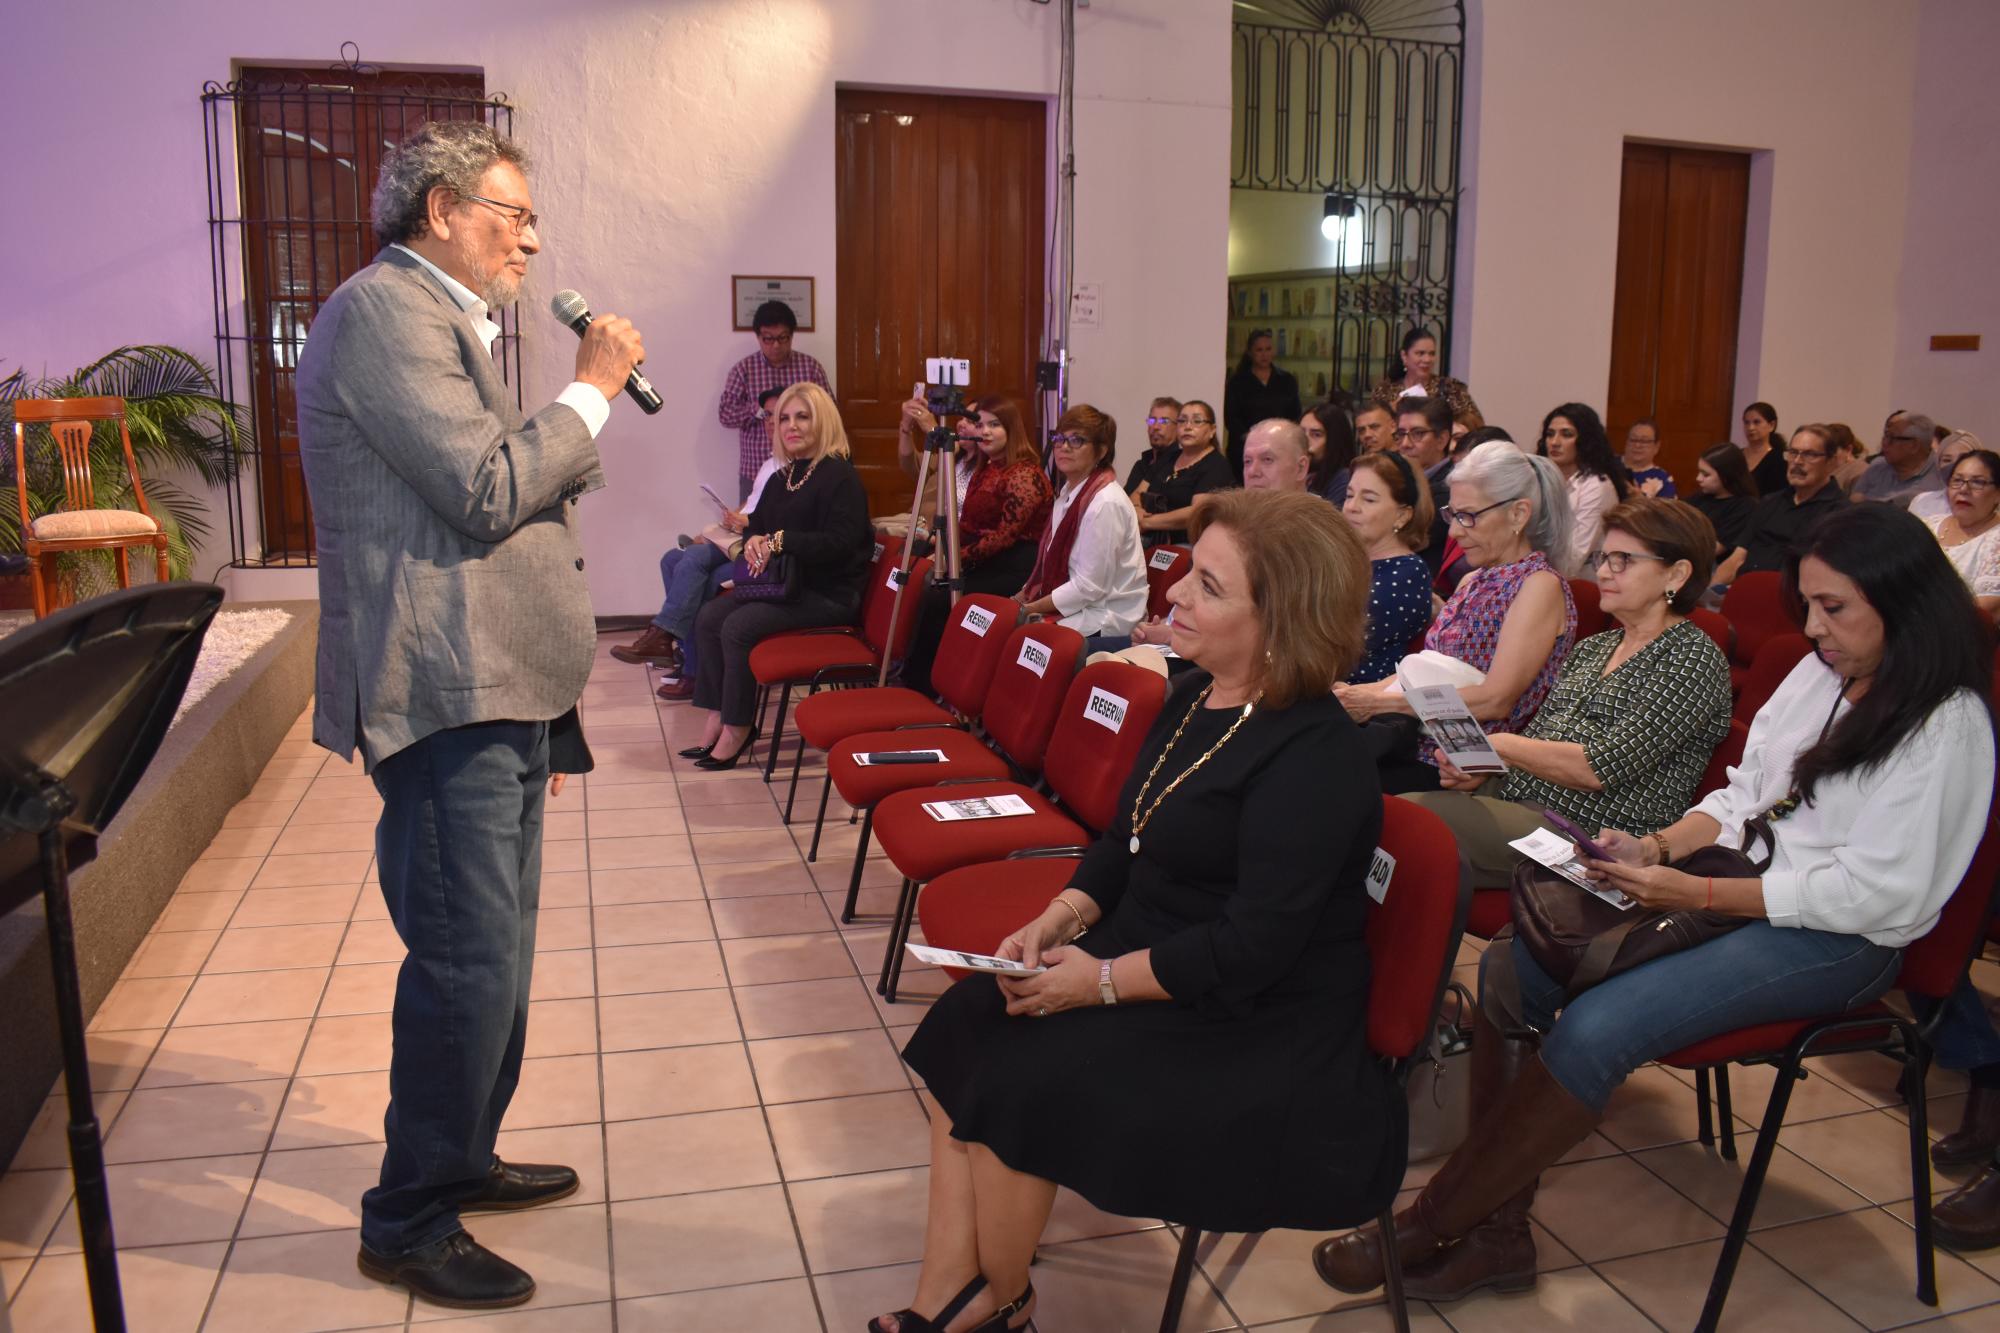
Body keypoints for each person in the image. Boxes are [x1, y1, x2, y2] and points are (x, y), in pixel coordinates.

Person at [1315, 502, 1995, 1304]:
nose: (1814, 628)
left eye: (1835, 607)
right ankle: (1497, 1236)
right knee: (1508, 970)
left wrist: (1696, 888)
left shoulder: (1946, 723)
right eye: (1806, 606)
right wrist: (1661, 847)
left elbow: (1878, 892)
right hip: (1730, 881)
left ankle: (1430, 1224)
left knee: (1601, 1022)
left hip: (1836, 935)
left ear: (1905, 599)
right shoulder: (1823, 672)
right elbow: (1745, 798)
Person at [884, 489, 1402, 1333]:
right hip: (1152, 952)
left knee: (1024, 1084)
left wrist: (1099, 985)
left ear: (1283, 621)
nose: (1176, 599)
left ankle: (995, 1300)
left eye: (1209, 586)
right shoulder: (1196, 696)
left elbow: (1254, 947)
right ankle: (957, 1289)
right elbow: (1123, 836)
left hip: (1255, 1016)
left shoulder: (1319, 757)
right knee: (966, 1023)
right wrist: (1059, 919)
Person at [296, 121, 646, 1308]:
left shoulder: (446, 318)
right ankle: (406, 1217)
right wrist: (591, 394)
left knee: (498, 961)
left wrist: (541, 708)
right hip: (446, 687)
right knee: (463, 965)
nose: (532, 240)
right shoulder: (383, 312)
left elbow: (496, 477)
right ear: (442, 208)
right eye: (514, 214)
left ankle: (462, 1155)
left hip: (498, 686)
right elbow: (489, 486)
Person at [1403, 499, 1732, 888]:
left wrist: (1500, 747)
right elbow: (1541, 741)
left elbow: (1596, 768)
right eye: (1602, 557)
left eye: (1623, 560)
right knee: (1385, 815)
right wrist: (1482, 769)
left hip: (1586, 836)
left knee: (1401, 824)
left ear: (1675, 574)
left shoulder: (1691, 658)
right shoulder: (1596, 647)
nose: (1604, 571)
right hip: (1518, 801)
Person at [1335, 441, 1577, 794]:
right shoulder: (1473, 580)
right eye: (1453, 514)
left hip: (1468, 767)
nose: (1454, 532)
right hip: (1419, 745)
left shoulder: (1539, 586)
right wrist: (1352, 693)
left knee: (1329, 785)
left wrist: (1376, 702)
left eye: (1469, 516)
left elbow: (1496, 700)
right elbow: (1421, 673)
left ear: (1518, 514)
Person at [684, 382, 871, 769]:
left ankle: (738, 726)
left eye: (803, 416)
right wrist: (754, 541)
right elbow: (759, 526)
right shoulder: (782, 477)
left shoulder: (841, 477)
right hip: (784, 587)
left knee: (737, 626)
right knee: (709, 617)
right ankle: (717, 714)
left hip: (826, 594)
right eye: (784, 418)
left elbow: (840, 542)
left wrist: (782, 541)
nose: (791, 426)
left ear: (823, 421)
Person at [611, 387, 781, 690]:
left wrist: (740, 524)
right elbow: (751, 507)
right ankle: (680, 653)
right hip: (741, 539)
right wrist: (722, 526)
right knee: (673, 559)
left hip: (763, 552)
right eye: (767, 415)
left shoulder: (791, 468)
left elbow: (777, 524)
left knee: (695, 563)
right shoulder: (769, 464)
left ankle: (679, 654)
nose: (771, 422)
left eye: (780, 416)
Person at [1015, 404, 1147, 650]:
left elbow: (1090, 588)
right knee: (1002, 624)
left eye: (1077, 440)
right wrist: (1020, 598)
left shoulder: (1105, 502)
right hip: (1081, 606)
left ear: (1101, 451)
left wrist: (1028, 609)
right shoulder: (1068, 493)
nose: (1064, 447)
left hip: (1106, 615)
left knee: (1020, 637)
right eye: (1059, 438)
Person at [717, 299, 830, 502]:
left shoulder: (810, 367)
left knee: (796, 529)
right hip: (756, 469)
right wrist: (759, 409)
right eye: (768, 339)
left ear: (792, 336)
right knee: (750, 527)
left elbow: (830, 413)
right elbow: (725, 415)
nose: (776, 345)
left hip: (805, 470)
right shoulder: (744, 370)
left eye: (782, 338)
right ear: (758, 337)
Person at [1711, 423, 1846, 592]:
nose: (1797, 462)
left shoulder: (1840, 514)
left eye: (1809, 455)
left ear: (1831, 462)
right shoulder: (1770, 502)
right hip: (1744, 593)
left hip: (1791, 603)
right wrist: (1708, 594)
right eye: (1793, 453)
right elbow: (1737, 558)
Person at [1341, 451, 1435, 684]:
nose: (1352, 507)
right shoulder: (1344, 559)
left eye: (1369, 499)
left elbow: (1336, 641)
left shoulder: (1408, 573)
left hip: (1363, 707)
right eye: (1349, 495)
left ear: (1402, 516)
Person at [1537, 402, 1630, 575]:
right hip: (1544, 573)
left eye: (1566, 434)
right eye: (1550, 434)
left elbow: (1573, 559)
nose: (1554, 442)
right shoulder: (1543, 477)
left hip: (1585, 581)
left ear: (1585, 440)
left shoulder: (1596, 485)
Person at [1136, 400, 1233, 545]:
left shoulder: (1216, 464)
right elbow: (1138, 492)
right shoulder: (1170, 456)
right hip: (1151, 539)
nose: (1188, 427)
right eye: (1182, 421)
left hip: (1189, 545)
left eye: (1197, 421)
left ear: (1212, 430)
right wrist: (1136, 510)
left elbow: (1197, 512)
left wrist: (1147, 522)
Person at [1922, 448, 2000, 619]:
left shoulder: (1996, 537)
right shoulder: (1927, 525)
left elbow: (1987, 609)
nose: (1964, 489)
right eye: (1957, 481)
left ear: (1997, 494)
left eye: (1978, 482)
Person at [1223, 329, 1302, 470]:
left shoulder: (1287, 380)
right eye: (1259, 350)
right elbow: (1231, 418)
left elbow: (1295, 414)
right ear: (1250, 352)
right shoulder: (1237, 382)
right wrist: (1253, 438)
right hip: (1244, 448)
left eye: (1268, 349)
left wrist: (1282, 437)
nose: (1264, 354)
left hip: (1279, 445)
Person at [1396, 396, 1459, 573]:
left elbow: (1412, 540)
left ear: (1442, 439)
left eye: (1417, 434)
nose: (1405, 444)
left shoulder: (1450, 487)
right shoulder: (1401, 478)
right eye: (1401, 434)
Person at [1369, 326, 1480, 421]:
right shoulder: (1385, 390)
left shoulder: (1450, 388)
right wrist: (1391, 412)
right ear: (1404, 356)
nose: (1427, 359)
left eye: (1431, 354)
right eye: (1420, 353)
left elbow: (1474, 422)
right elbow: (1372, 426)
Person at [1852, 410, 1944, 508]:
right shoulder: (1877, 466)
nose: (1884, 443)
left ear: (1914, 445)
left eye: (1891, 438)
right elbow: (1854, 501)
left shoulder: (1941, 474)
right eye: (1885, 436)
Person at [1687, 440, 1759, 561]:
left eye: (1706, 475)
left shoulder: (1746, 506)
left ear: (1726, 476)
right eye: (1699, 472)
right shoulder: (1699, 497)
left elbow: (1714, 549)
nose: (1698, 478)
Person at [1911, 430, 1984, 522]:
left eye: (1963, 459)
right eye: (1947, 460)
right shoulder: (1921, 501)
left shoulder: (1985, 503)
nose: (1954, 466)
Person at [1304, 399, 1359, 503]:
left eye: (1316, 435)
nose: (1305, 441)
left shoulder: (1344, 480)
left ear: (1334, 441)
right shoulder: (1300, 474)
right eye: (1301, 432)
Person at [1239, 418, 1314, 493]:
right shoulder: (1233, 504)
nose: (1252, 472)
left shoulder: (1321, 505)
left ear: (1301, 468)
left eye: (1267, 459)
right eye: (1248, 461)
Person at [1125, 396, 1182, 495]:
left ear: (1178, 427)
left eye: (1164, 421)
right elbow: (1125, 505)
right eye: (1152, 420)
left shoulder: (1181, 466)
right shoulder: (1141, 465)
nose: (1155, 427)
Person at [1740, 401, 1788, 497]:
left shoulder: (1778, 459)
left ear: (1771, 425)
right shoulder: (1736, 455)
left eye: (1756, 422)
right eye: (1746, 423)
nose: (1750, 427)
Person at [1620, 418, 1676, 497]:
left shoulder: (1663, 479)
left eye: (1644, 441)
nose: (1637, 445)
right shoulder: (1608, 464)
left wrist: (1639, 500)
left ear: (1656, 446)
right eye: (1633, 439)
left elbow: (1666, 509)